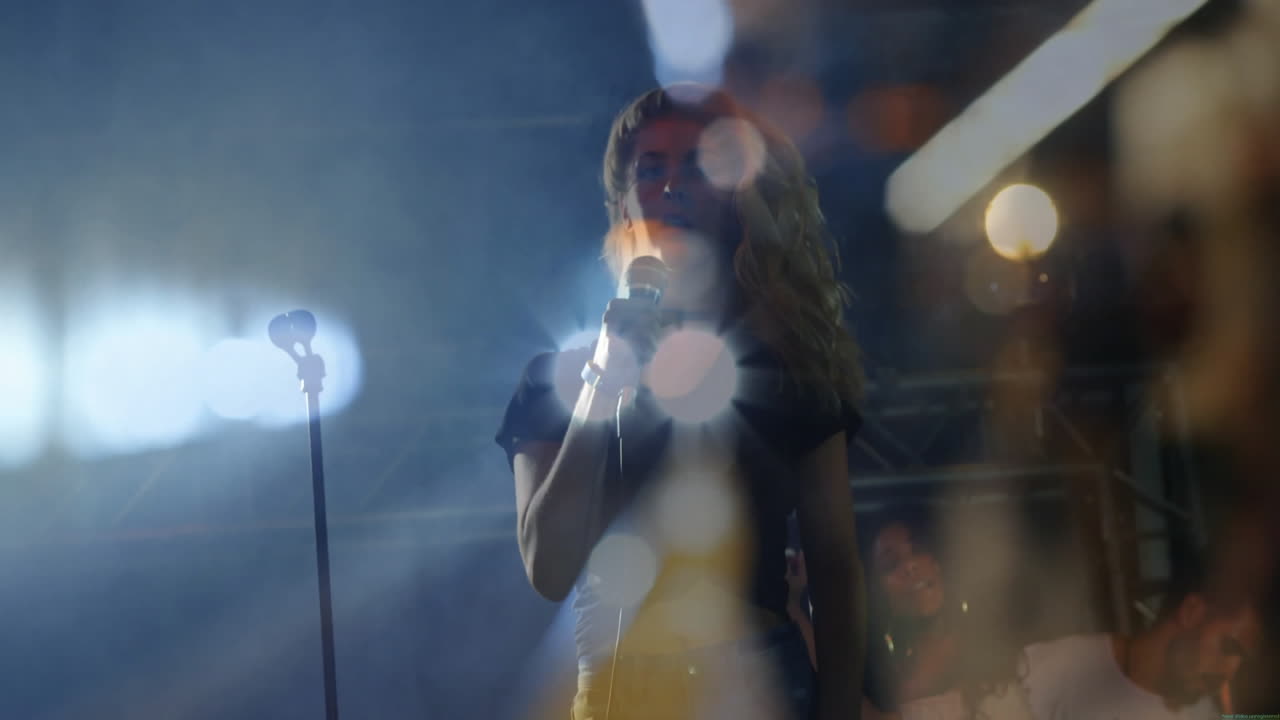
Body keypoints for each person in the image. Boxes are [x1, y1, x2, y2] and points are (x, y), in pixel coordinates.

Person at [495, 84, 867, 719]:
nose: (671, 186)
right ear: (621, 200)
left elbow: (833, 565)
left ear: (734, 194)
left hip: (752, 673)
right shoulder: (559, 377)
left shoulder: (785, 369)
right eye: (651, 168)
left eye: (695, 166)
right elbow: (549, 568)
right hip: (616, 687)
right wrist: (608, 375)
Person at [1019, 555, 1262, 720]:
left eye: (1243, 662)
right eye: (1229, 646)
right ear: (1192, 612)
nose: (1229, 672)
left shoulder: (1203, 714)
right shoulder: (1058, 669)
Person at [861, 504, 1031, 720]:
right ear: (878, 593)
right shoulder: (884, 680)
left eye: (919, 549)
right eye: (891, 563)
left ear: (940, 562)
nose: (910, 565)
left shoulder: (997, 644)